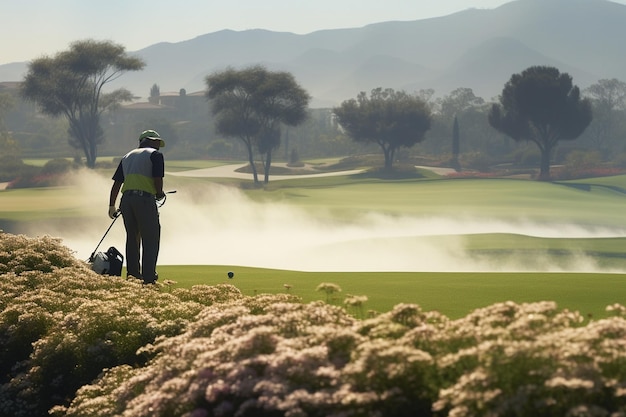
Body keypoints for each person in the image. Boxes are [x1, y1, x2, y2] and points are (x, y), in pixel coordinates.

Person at [108, 129, 166, 284]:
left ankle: (133, 276)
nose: (158, 145)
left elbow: (117, 184)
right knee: (151, 239)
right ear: (146, 141)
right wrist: (159, 193)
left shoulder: (127, 156)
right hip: (144, 200)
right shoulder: (155, 155)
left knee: (132, 239)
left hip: (126, 200)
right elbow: (157, 178)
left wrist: (111, 205)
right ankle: (148, 279)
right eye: (156, 142)